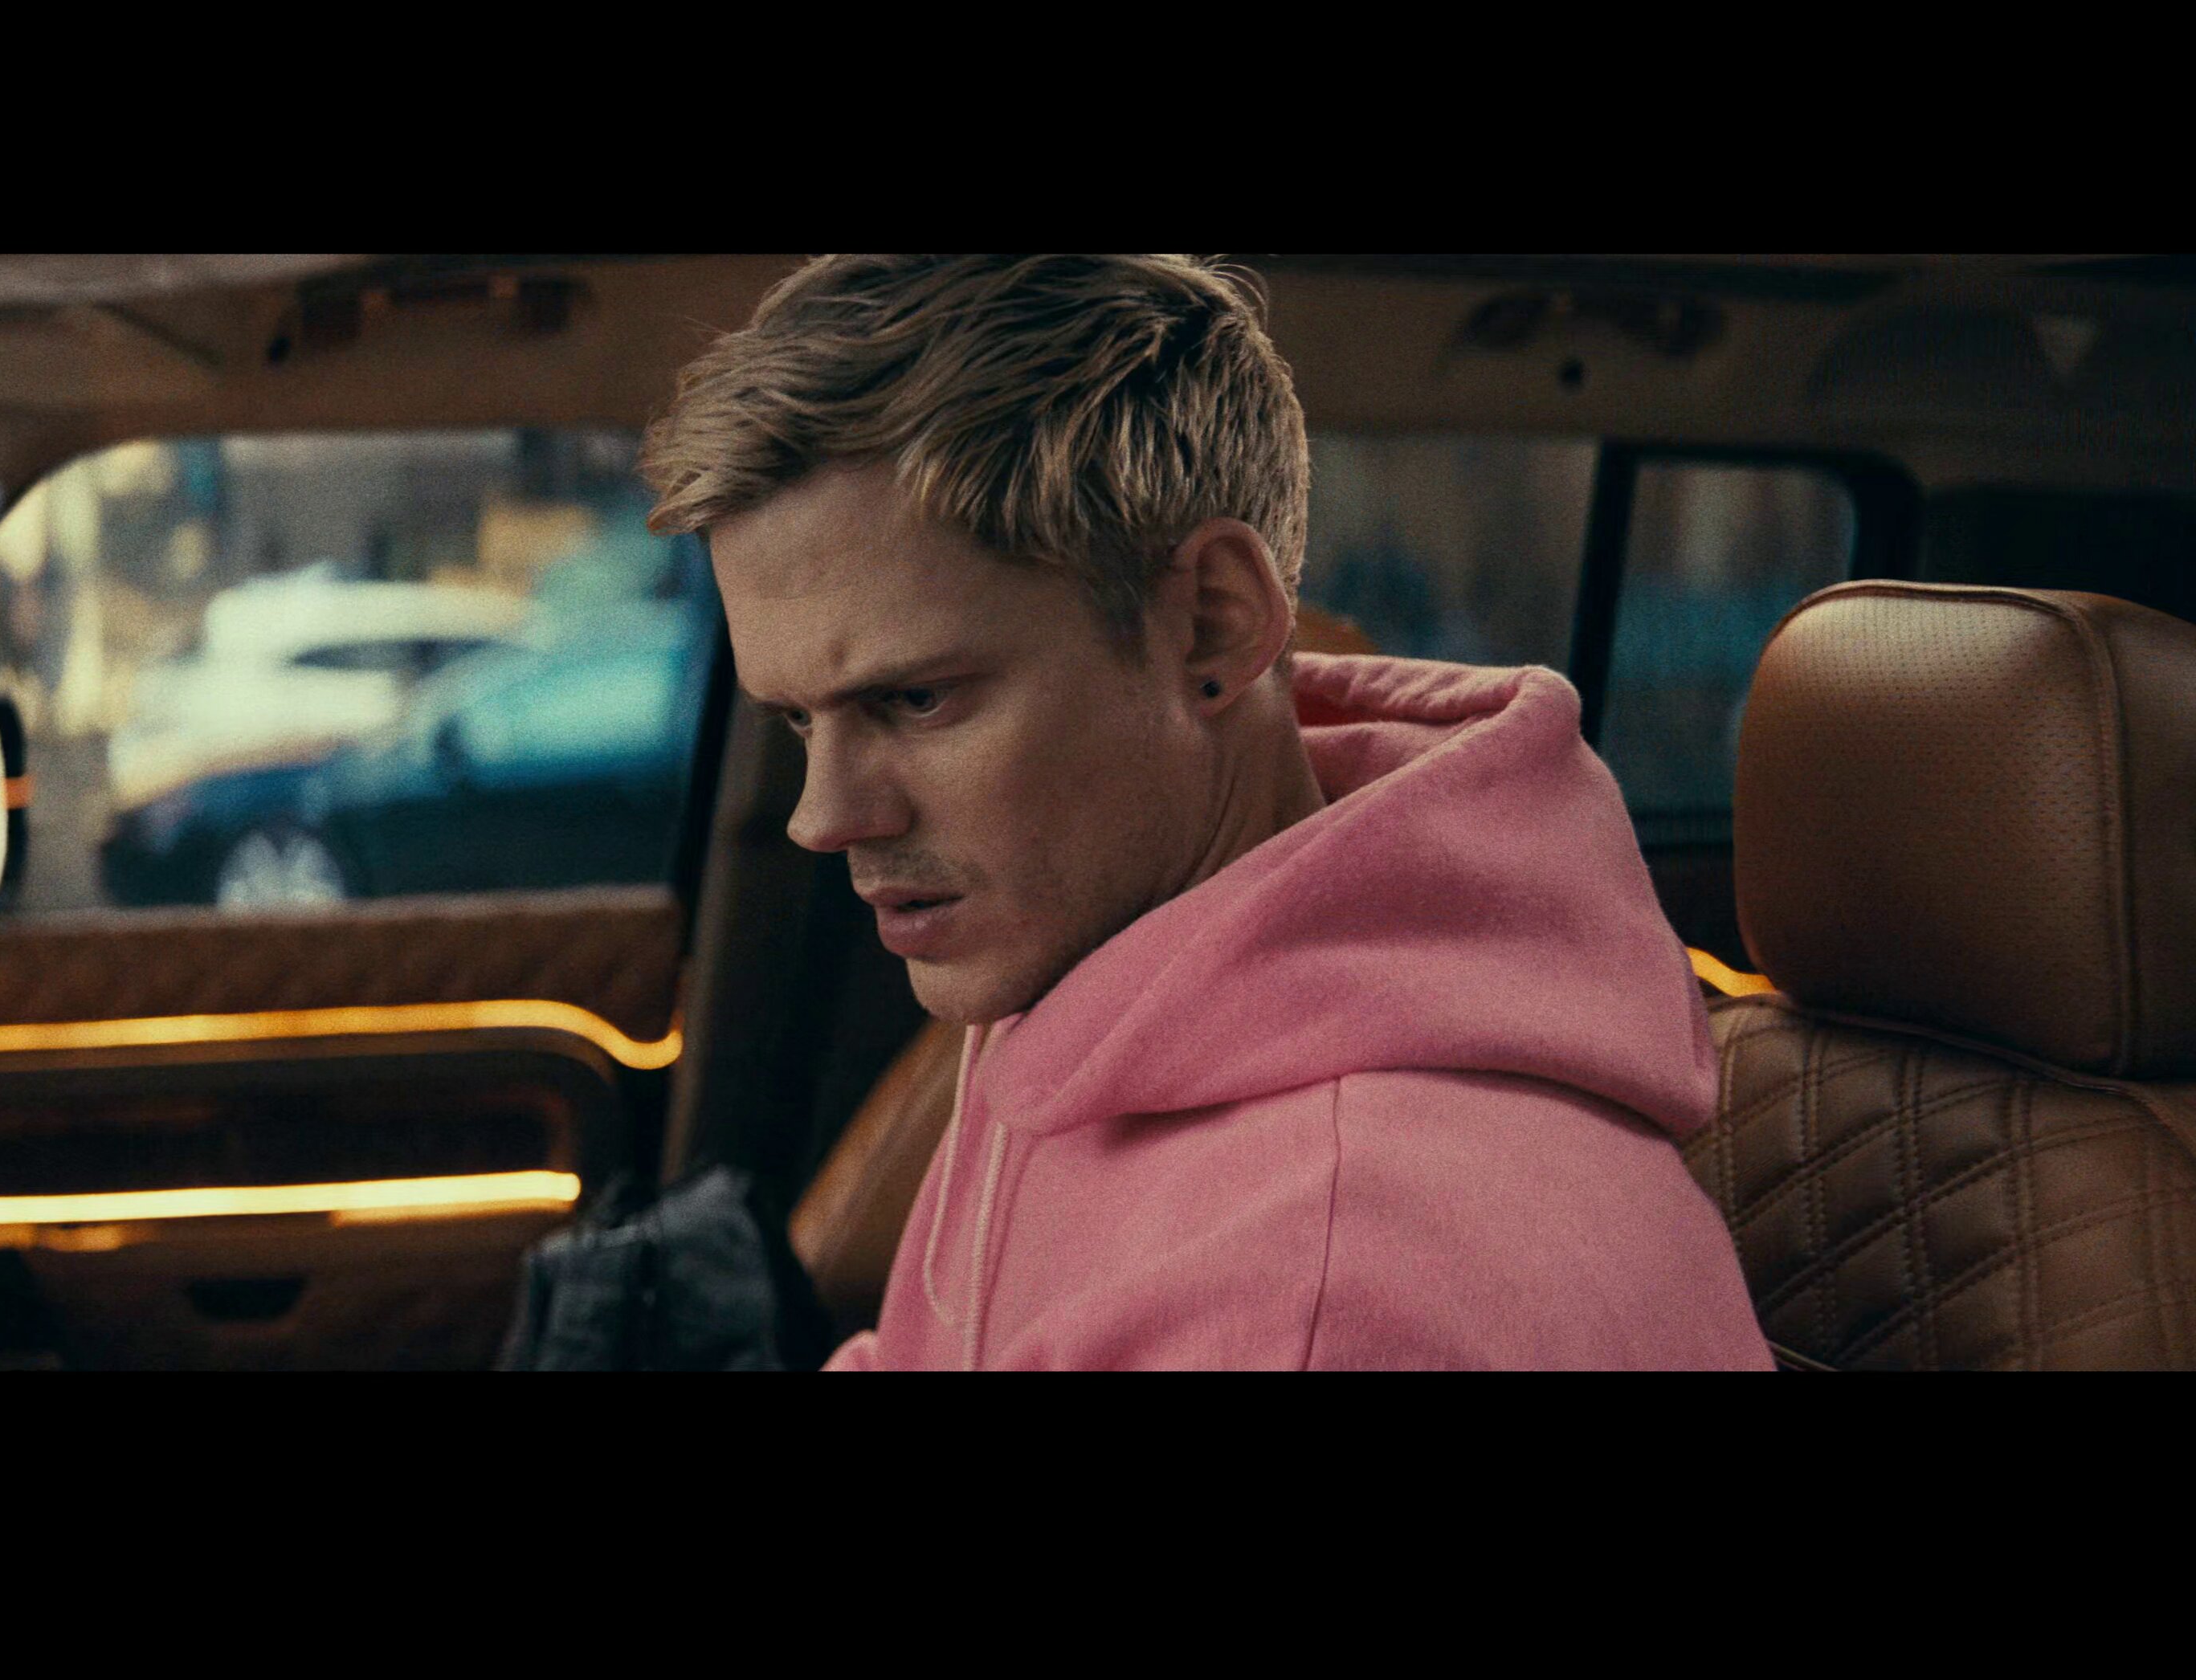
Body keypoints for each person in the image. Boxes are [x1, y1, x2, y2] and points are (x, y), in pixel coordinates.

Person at [638, 255, 1769, 1369]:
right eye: (798, 721)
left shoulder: (1327, 1292)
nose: (823, 819)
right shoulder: (1085, 978)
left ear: (1212, 626)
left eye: (915, 700)